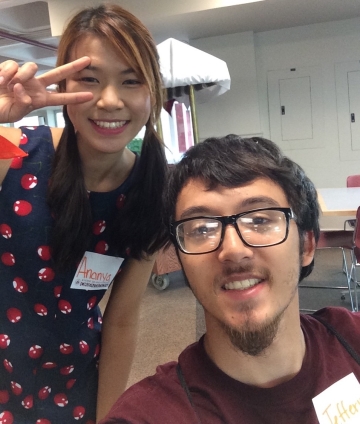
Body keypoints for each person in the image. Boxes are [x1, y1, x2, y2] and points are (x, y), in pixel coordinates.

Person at [100, 135, 360, 424]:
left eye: (260, 220)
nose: (233, 250)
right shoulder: (151, 414)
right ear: (182, 260)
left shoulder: (352, 339)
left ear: (307, 246)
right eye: (202, 229)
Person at [0, 4, 168, 423]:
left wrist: (107, 416)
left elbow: (122, 322)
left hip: (74, 389)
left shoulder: (151, 192)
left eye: (131, 81)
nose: (109, 101)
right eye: (89, 80)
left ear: (153, 92)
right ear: (62, 86)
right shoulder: (13, 150)